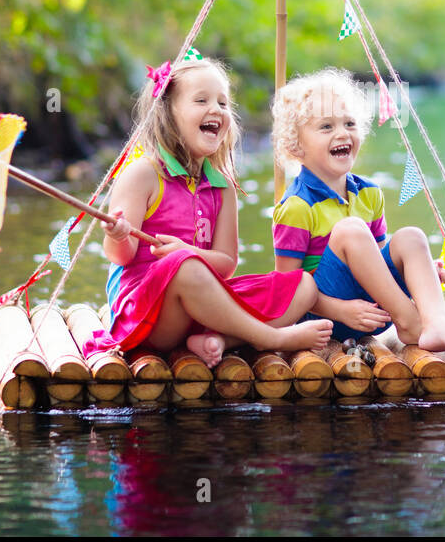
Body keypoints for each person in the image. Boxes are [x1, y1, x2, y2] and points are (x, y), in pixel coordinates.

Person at [102, 57, 332, 368]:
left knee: (302, 284)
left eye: (223, 103)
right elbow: (121, 256)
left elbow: (225, 264)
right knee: (183, 266)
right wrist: (117, 235)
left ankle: (222, 340)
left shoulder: (221, 186)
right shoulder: (143, 174)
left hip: (205, 306)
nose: (216, 109)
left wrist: (189, 251)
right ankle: (269, 337)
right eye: (201, 100)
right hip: (149, 316)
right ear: (168, 112)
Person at [271, 68, 445, 354]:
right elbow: (287, 291)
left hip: (377, 311)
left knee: (411, 238)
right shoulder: (296, 206)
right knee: (351, 230)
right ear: (296, 144)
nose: (342, 133)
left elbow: (379, 263)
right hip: (326, 318)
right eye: (326, 127)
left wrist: (417, 272)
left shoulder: (369, 193)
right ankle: (412, 322)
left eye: (350, 123)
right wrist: (341, 310)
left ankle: (435, 320)